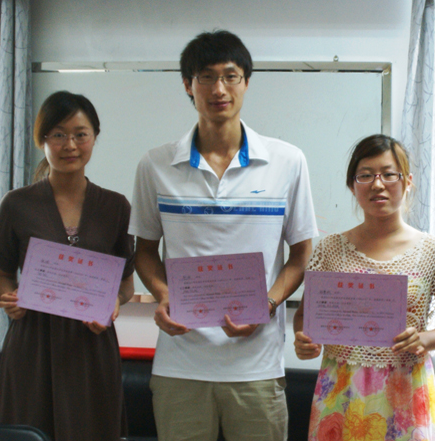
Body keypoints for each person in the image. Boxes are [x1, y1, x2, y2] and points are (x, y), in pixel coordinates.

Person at [129, 30, 318, 441]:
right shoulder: (156, 164)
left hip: (257, 368)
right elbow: (144, 251)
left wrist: (267, 304)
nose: (219, 89)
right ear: (188, 85)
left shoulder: (287, 161)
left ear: (246, 82)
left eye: (230, 76)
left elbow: (301, 254)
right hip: (180, 366)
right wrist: (163, 294)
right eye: (206, 77)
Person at [0, 91, 134, 441]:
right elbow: (2, 275)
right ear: (42, 140)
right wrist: (9, 297)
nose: (70, 145)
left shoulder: (115, 207)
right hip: (32, 343)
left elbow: (126, 286)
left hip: (90, 344)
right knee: (27, 431)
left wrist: (113, 304)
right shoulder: (17, 204)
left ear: (94, 137)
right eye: (58, 134)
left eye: (80, 134)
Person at [294, 134, 435, 441]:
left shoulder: (434, 252)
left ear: (408, 181)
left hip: (406, 393)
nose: (377, 184)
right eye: (366, 175)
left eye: (388, 174)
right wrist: (304, 340)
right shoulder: (330, 250)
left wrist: (424, 338)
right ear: (352, 185)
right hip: (341, 394)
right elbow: (304, 317)